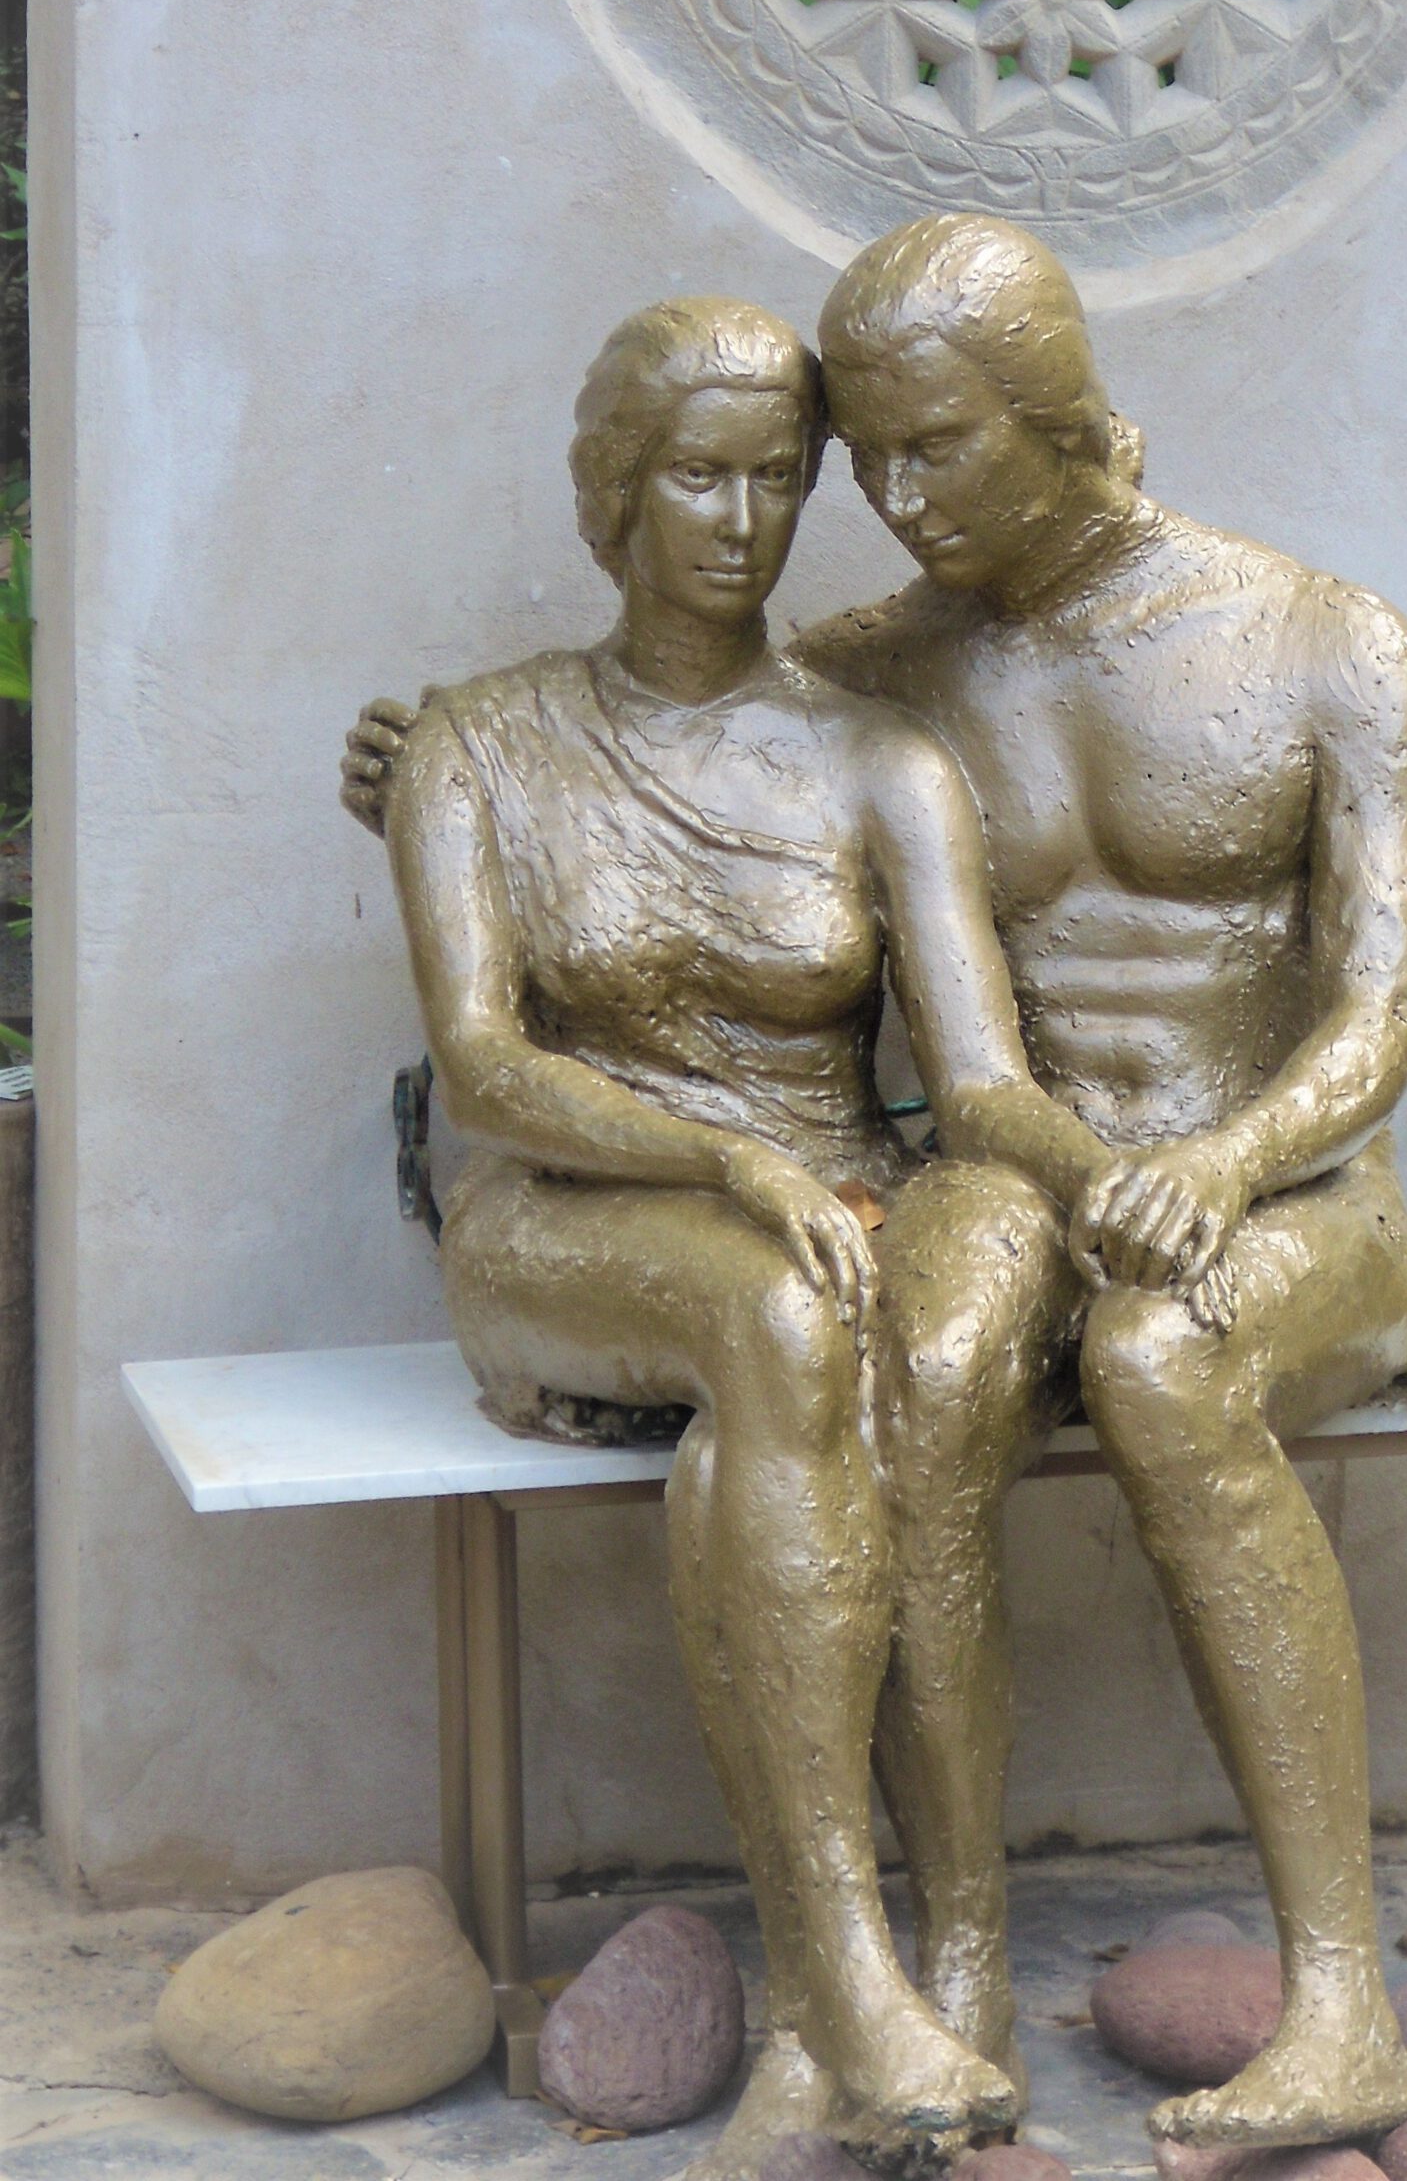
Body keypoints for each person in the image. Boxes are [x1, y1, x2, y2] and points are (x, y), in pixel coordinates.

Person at [347, 218, 1407, 2158]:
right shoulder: (882, 667)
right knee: (922, 1371)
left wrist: (1222, 1160)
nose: (892, 502)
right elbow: (681, 725)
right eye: (864, 461)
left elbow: (1374, 1018)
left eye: (935, 449)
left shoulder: (1325, 646)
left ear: (1063, 416)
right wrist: (425, 764)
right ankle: (948, 1966)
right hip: (1022, 1180)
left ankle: (1344, 2003)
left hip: (1280, 1187)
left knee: (1162, 1362)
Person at [365, 295, 1115, 2166]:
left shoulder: (878, 759)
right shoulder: (476, 746)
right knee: (780, 1322)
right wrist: (726, 1164)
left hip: (834, 1203)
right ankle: (849, 1981)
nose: (740, 520)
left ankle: (941, 1963)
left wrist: (1130, 1182)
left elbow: (979, 1078)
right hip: (573, 1217)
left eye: (779, 479)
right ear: (614, 493)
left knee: (900, 1368)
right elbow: (486, 1070)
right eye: (697, 477)